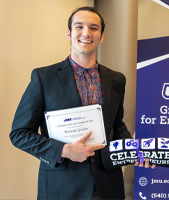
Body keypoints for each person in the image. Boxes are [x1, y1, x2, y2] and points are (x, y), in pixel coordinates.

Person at [10, 6, 155, 200]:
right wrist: (64, 150)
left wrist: (133, 151)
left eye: (94, 28)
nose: (86, 33)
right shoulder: (44, 78)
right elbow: (19, 134)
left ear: (101, 36)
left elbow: (116, 125)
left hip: (107, 185)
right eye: (79, 27)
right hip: (61, 187)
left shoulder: (117, 80)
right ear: (69, 34)